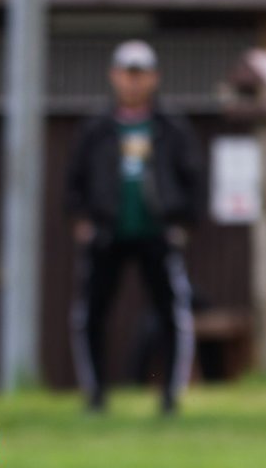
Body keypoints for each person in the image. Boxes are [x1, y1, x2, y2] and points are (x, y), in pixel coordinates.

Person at [65, 39, 202, 414]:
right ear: (114, 76)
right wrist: (82, 219)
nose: (133, 82)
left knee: (172, 312)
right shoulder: (97, 127)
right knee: (91, 313)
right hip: (106, 233)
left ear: (154, 78)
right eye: (127, 74)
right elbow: (74, 178)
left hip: (158, 233)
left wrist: (182, 221)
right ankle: (95, 394)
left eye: (141, 74)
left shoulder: (171, 126)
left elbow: (192, 177)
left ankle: (170, 395)